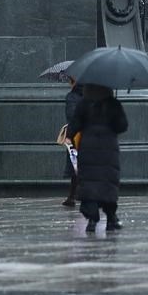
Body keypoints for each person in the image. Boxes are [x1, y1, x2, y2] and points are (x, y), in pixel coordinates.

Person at [69, 83, 129, 234]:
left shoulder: (83, 104)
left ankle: (91, 220)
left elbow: (73, 128)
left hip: (88, 148)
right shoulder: (113, 104)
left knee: (89, 183)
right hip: (108, 149)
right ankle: (110, 219)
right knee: (108, 183)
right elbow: (122, 126)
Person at [61, 79, 84, 208]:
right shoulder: (92, 96)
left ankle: (73, 196)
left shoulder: (72, 96)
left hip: (77, 136)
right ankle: (72, 196)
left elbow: (71, 116)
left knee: (75, 164)